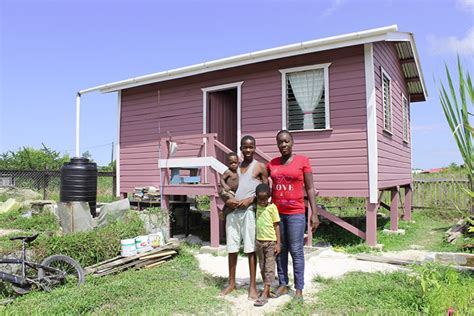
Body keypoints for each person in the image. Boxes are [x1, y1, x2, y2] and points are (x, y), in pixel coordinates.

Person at [267, 130, 319, 300]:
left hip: (296, 213)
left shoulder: (302, 161)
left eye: (287, 141)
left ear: (292, 142)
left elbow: (310, 188)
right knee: (280, 249)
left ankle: (299, 289)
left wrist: (314, 214)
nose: (283, 145)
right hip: (277, 215)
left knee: (296, 251)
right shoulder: (272, 164)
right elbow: (260, 179)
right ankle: (283, 284)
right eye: (280, 142)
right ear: (277, 144)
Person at [220, 135, 268, 300]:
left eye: (251, 147)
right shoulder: (234, 167)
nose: (248, 150)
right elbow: (222, 188)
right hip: (232, 213)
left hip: (248, 212)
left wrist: (250, 200)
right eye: (245, 147)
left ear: (255, 148)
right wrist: (228, 200)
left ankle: (253, 286)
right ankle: (231, 283)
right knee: (232, 248)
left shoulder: (260, 167)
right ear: (240, 149)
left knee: (250, 249)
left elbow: (266, 191)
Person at [253, 183, 281, 307]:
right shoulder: (256, 206)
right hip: (259, 242)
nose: (262, 201)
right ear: (256, 197)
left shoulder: (272, 208)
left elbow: (276, 225)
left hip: (270, 243)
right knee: (262, 266)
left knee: (269, 267)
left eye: (265, 199)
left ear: (269, 197)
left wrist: (278, 243)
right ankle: (267, 289)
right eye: (260, 199)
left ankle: (265, 293)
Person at [218, 152, 239, 221]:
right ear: (228, 164)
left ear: (238, 162)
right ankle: (224, 213)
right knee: (232, 200)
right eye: (231, 163)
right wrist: (225, 186)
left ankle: (223, 212)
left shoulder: (239, 172)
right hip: (226, 190)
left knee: (231, 204)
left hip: (233, 192)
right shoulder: (228, 172)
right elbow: (222, 179)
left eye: (235, 163)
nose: (233, 164)